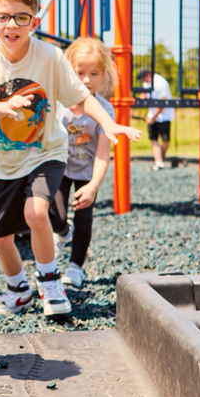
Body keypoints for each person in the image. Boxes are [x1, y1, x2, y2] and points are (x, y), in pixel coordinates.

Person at [0, 0, 140, 317]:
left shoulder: (49, 56)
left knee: (36, 212)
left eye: (22, 17)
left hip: (46, 152)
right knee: (0, 236)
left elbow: (81, 98)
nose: (12, 25)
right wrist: (2, 108)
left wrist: (109, 124)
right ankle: (18, 290)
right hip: (7, 161)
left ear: (34, 22)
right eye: (3, 17)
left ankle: (51, 283)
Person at [51, 38, 116, 289]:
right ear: (69, 71)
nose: (86, 79)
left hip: (87, 172)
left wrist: (93, 186)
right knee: (54, 214)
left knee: (84, 218)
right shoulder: (59, 105)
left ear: (103, 75)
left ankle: (76, 268)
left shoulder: (104, 110)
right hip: (60, 166)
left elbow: (102, 154)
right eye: (79, 73)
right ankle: (61, 232)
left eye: (93, 73)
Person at [137, 68, 173, 169]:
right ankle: (158, 162)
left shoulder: (160, 83)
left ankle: (160, 159)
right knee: (154, 139)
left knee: (165, 140)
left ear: (147, 75)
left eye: (144, 79)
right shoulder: (147, 84)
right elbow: (146, 95)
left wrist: (153, 117)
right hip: (152, 115)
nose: (143, 82)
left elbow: (161, 105)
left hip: (164, 116)